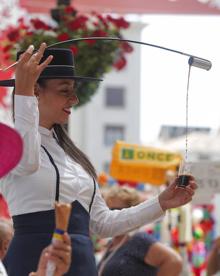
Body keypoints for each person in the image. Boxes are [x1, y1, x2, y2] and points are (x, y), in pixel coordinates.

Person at [0, 43, 197, 276]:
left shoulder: (72, 155)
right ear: (35, 91)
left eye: (73, 90)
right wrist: (23, 95)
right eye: (65, 90)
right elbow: (27, 162)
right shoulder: (8, 143)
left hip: (82, 263)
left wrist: (161, 202)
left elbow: (101, 223)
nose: (74, 99)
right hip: (33, 260)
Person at [98, 186, 183, 276]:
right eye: (108, 211)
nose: (113, 216)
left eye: (117, 211)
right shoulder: (112, 243)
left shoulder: (137, 240)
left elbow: (174, 261)